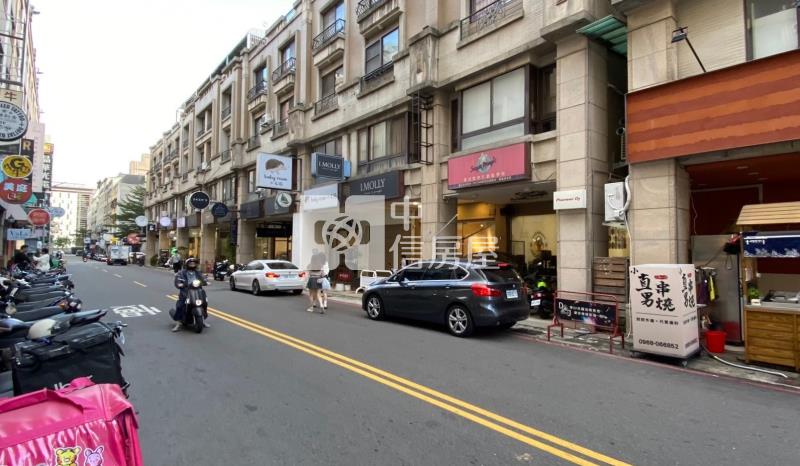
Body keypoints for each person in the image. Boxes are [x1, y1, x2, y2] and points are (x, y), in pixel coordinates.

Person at [171, 257, 209, 332]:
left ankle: (203, 320)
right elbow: (178, 280)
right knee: (180, 305)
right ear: (187, 264)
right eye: (191, 263)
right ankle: (178, 323)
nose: (192, 264)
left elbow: (203, 278)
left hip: (198, 290)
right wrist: (179, 284)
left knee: (204, 303)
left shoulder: (198, 272)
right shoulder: (181, 273)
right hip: (186, 291)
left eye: (194, 263)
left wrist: (205, 281)